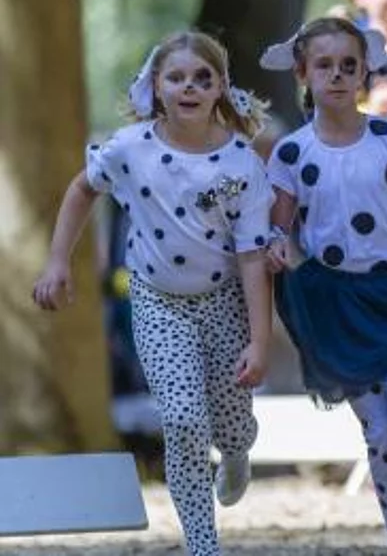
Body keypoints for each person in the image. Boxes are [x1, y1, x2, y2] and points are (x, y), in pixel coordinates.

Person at [32, 32, 275, 556]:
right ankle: (202, 544)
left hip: (225, 301)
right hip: (157, 302)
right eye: (177, 77)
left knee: (232, 425)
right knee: (184, 420)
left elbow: (255, 257)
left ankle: (236, 453)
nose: (189, 87)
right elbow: (81, 190)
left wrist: (260, 340)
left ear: (221, 89)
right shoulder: (130, 149)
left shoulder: (241, 163)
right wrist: (58, 262)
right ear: (155, 87)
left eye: (202, 78)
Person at [262, 17, 387, 556]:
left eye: (348, 65)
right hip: (336, 305)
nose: (337, 75)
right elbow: (279, 229)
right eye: (324, 65)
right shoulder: (291, 153)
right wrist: (276, 246)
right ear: (303, 73)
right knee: (377, 434)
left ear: (364, 72)